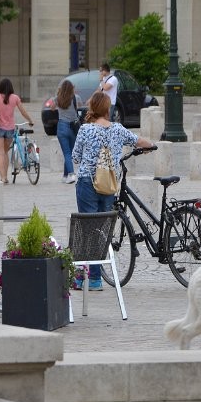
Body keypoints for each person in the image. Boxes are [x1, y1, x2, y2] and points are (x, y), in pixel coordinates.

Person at [71, 91, 154, 290]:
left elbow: (75, 157)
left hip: (87, 183)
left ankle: (84, 278)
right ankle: (95, 279)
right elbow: (138, 141)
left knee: (87, 229)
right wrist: (152, 145)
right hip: (108, 184)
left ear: (93, 108)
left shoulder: (85, 129)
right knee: (101, 230)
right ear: (107, 109)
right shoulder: (118, 129)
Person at [0, 78, 34, 184]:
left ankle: (3, 178)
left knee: (0, 153)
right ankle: (5, 176)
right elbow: (23, 111)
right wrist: (30, 120)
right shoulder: (15, 98)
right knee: (5, 152)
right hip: (10, 129)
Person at [54, 79, 82, 184]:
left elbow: (52, 108)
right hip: (73, 126)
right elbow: (80, 107)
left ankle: (70, 174)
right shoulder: (76, 97)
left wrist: (58, 93)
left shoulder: (57, 99)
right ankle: (66, 175)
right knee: (69, 152)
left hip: (62, 126)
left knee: (66, 152)